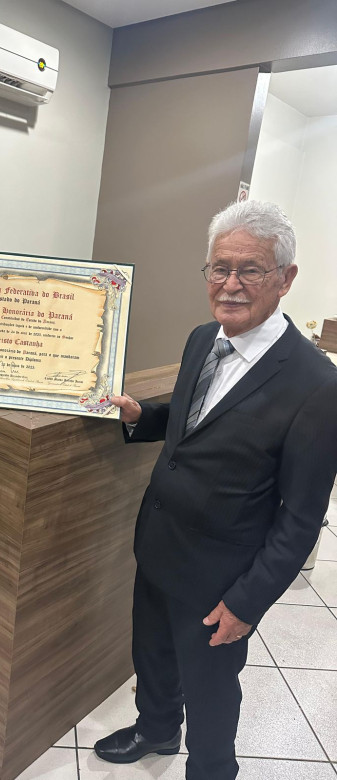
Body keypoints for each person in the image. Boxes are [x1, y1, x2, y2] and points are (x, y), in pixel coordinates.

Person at [94, 201, 337, 779]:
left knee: (210, 690)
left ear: (285, 278)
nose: (230, 284)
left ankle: (211, 769)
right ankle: (156, 730)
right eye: (219, 268)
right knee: (152, 656)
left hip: (219, 579)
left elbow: (301, 518)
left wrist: (248, 602)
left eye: (249, 270)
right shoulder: (204, 338)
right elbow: (194, 423)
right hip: (158, 545)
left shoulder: (317, 384)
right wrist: (142, 417)